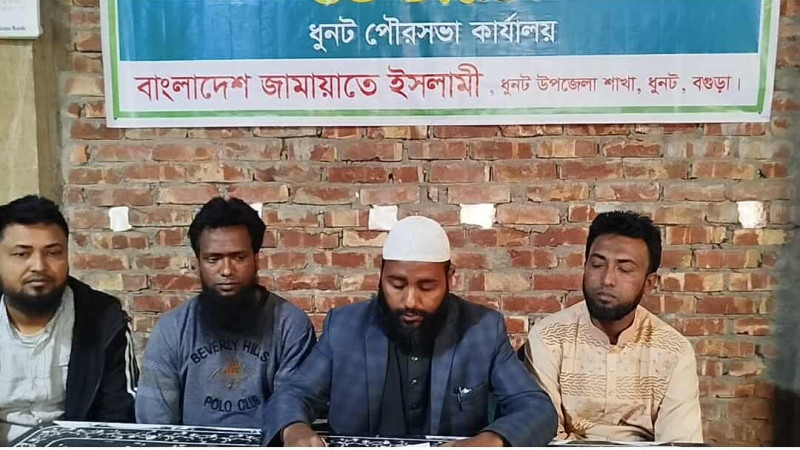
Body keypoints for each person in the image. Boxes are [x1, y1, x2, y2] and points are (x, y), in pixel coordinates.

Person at [268, 216, 557, 447]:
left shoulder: (482, 329)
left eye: (426, 287)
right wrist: (294, 429)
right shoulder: (345, 326)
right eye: (396, 284)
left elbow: (536, 408)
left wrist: (490, 441)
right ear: (381, 276)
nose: (410, 301)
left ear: (450, 278)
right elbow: (294, 393)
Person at [135, 197, 315, 432]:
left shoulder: (290, 326)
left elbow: (291, 412)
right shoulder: (171, 330)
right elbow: (155, 428)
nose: (227, 270)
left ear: (256, 259)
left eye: (239, 257)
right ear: (198, 263)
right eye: (214, 259)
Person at [524, 211, 703, 443]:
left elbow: (680, 443)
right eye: (597, 264)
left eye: (625, 269)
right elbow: (544, 435)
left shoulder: (674, 351)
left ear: (649, 283)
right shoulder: (548, 338)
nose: (607, 279)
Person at [0, 195, 138, 445]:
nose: (39, 266)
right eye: (22, 254)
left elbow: (118, 417)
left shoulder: (103, 319)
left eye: (53, 253)